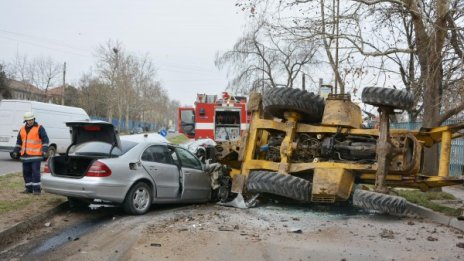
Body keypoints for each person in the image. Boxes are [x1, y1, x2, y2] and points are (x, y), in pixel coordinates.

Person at [12, 112, 49, 195]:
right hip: (25, 156)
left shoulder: (39, 128)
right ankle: (28, 189)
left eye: (31, 119)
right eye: (28, 120)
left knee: (35, 172)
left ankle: (37, 190)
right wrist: (15, 151)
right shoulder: (22, 129)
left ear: (34, 119)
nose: (30, 121)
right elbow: (19, 142)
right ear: (25, 121)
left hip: (36, 155)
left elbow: (45, 140)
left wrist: (45, 150)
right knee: (26, 172)